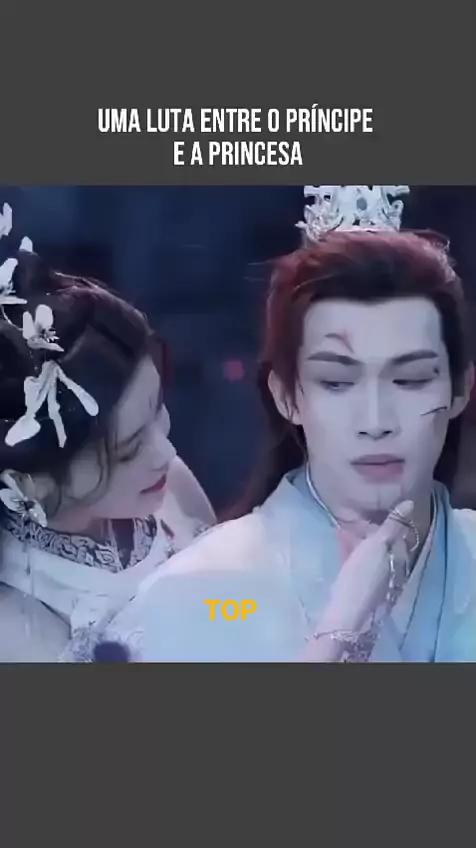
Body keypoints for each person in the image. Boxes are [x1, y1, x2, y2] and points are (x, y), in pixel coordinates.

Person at [101, 185, 476, 662]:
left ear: (461, 389)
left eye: (411, 379)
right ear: (285, 396)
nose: (376, 421)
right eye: (337, 382)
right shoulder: (199, 590)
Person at [0, 204, 215, 662]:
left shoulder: (166, 482)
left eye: (158, 411)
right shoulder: (16, 622)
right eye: (130, 448)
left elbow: (236, 611)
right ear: (29, 482)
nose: (166, 452)